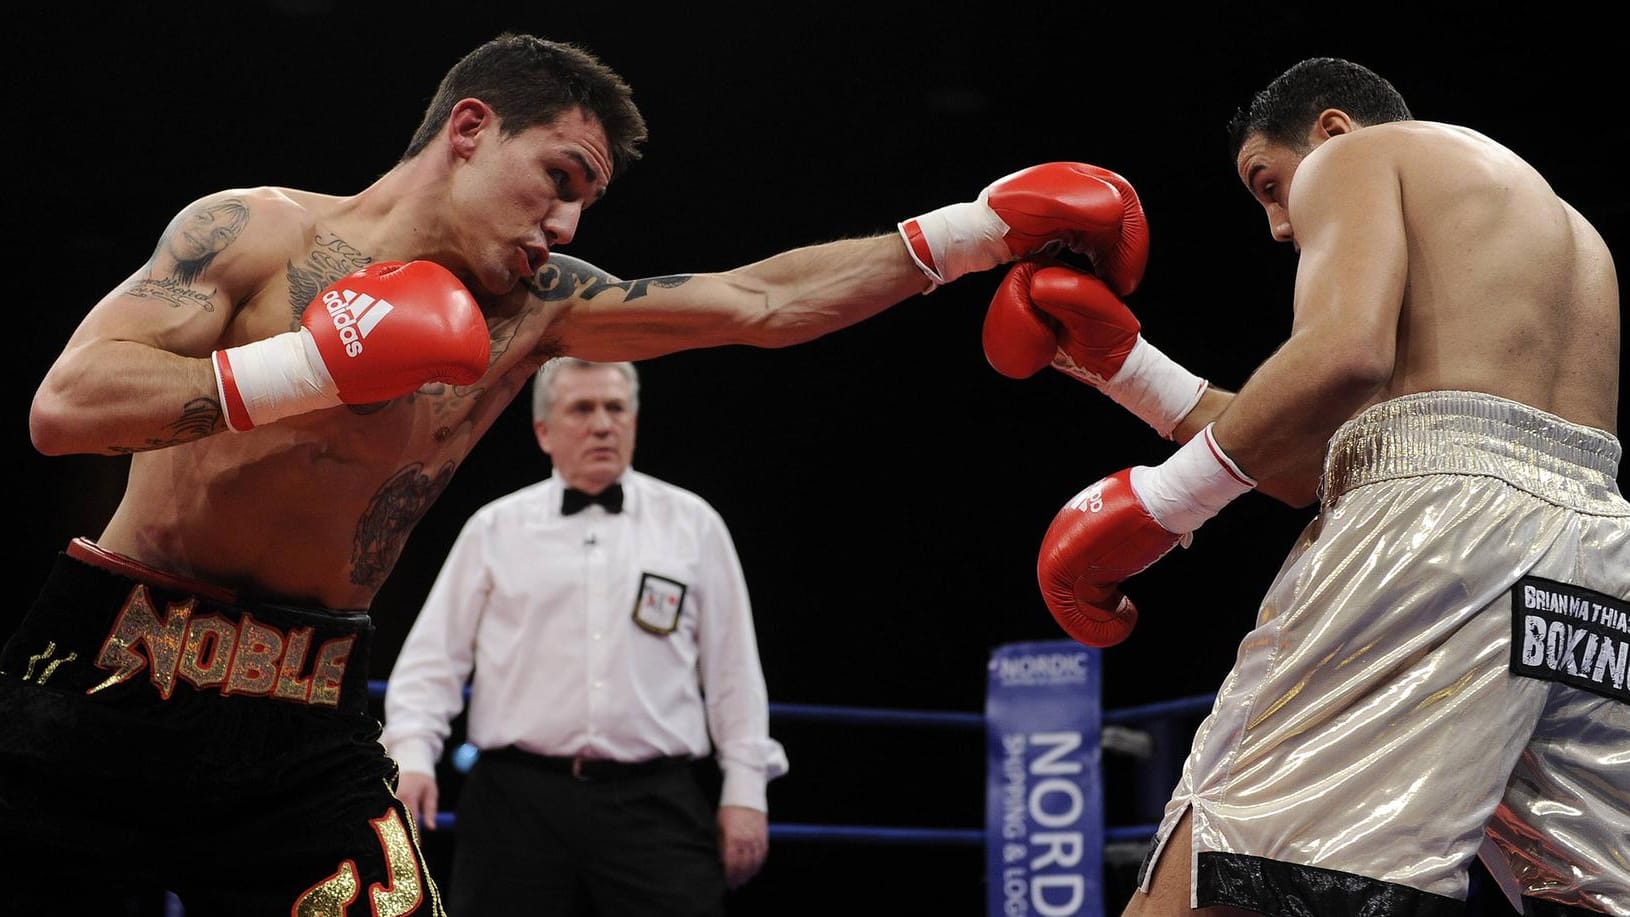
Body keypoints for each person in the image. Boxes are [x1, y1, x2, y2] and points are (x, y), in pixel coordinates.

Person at [7, 29, 1149, 915]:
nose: (562, 222)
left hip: (303, 716)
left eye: (585, 202)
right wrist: (313, 362)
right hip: (104, 669)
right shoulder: (252, 231)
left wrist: (975, 230)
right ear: (468, 126)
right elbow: (65, 409)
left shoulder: (537, 311)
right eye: (554, 177)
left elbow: (759, 302)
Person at [983, 57, 1627, 915]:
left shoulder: (1357, 156)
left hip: (1434, 537)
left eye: (1268, 183)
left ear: (1328, 128)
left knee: (1226, 861)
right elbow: (1330, 460)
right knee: (1579, 890)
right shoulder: (1569, 238)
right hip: (1595, 564)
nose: (1280, 226)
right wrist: (1129, 371)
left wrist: (1164, 502)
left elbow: (1345, 359)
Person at [380, 357, 786, 914]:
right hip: (515, 801)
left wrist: (746, 789)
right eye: (583, 409)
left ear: (635, 421)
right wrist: (414, 756)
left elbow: (734, 673)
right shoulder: (495, 529)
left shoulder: (693, 524)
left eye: (616, 408)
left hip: (654, 799)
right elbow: (432, 662)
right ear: (544, 431)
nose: (602, 424)